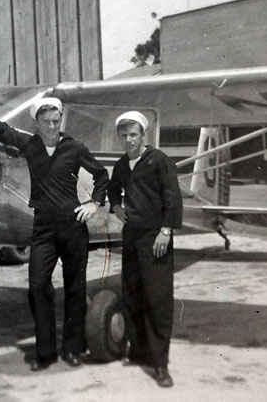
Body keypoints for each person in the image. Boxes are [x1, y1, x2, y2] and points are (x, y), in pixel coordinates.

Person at [0, 97, 108, 371]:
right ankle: (46, 352)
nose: (52, 126)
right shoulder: (30, 145)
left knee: (75, 289)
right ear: (37, 122)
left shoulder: (74, 147)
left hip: (73, 226)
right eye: (46, 121)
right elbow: (3, 129)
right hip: (43, 228)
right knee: (38, 286)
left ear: (60, 120)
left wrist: (94, 203)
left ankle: (73, 349)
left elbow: (101, 175)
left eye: (56, 120)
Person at [107, 111, 182, 388]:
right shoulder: (122, 165)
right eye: (124, 136)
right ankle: (139, 351)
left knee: (158, 299)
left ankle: (160, 364)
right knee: (133, 294)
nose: (129, 140)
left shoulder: (158, 160)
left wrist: (166, 231)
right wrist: (116, 206)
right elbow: (113, 190)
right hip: (132, 237)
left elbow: (172, 198)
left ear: (143, 135)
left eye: (133, 135)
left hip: (155, 236)